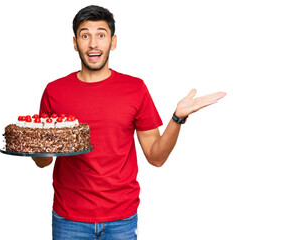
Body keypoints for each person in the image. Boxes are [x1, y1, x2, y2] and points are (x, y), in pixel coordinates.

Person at [32, 5, 226, 240]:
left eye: (101, 35)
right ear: (75, 43)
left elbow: (156, 157)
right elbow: (43, 162)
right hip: (69, 218)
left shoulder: (135, 89)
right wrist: (35, 148)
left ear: (113, 42)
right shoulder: (54, 91)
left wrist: (178, 118)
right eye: (85, 35)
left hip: (121, 219)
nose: (93, 43)